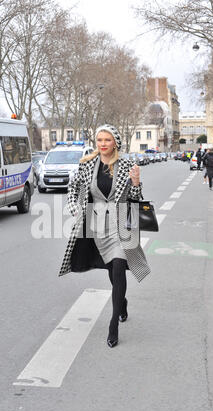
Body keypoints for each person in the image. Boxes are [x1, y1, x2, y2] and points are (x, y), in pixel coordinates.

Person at [59, 124, 151, 348]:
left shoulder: (128, 165)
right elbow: (73, 190)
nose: (102, 144)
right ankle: (123, 302)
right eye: (99, 140)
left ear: (115, 143)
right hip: (96, 225)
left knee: (119, 266)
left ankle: (113, 325)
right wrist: (75, 208)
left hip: (120, 224)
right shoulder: (87, 164)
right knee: (112, 271)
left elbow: (136, 199)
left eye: (107, 140)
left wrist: (137, 183)